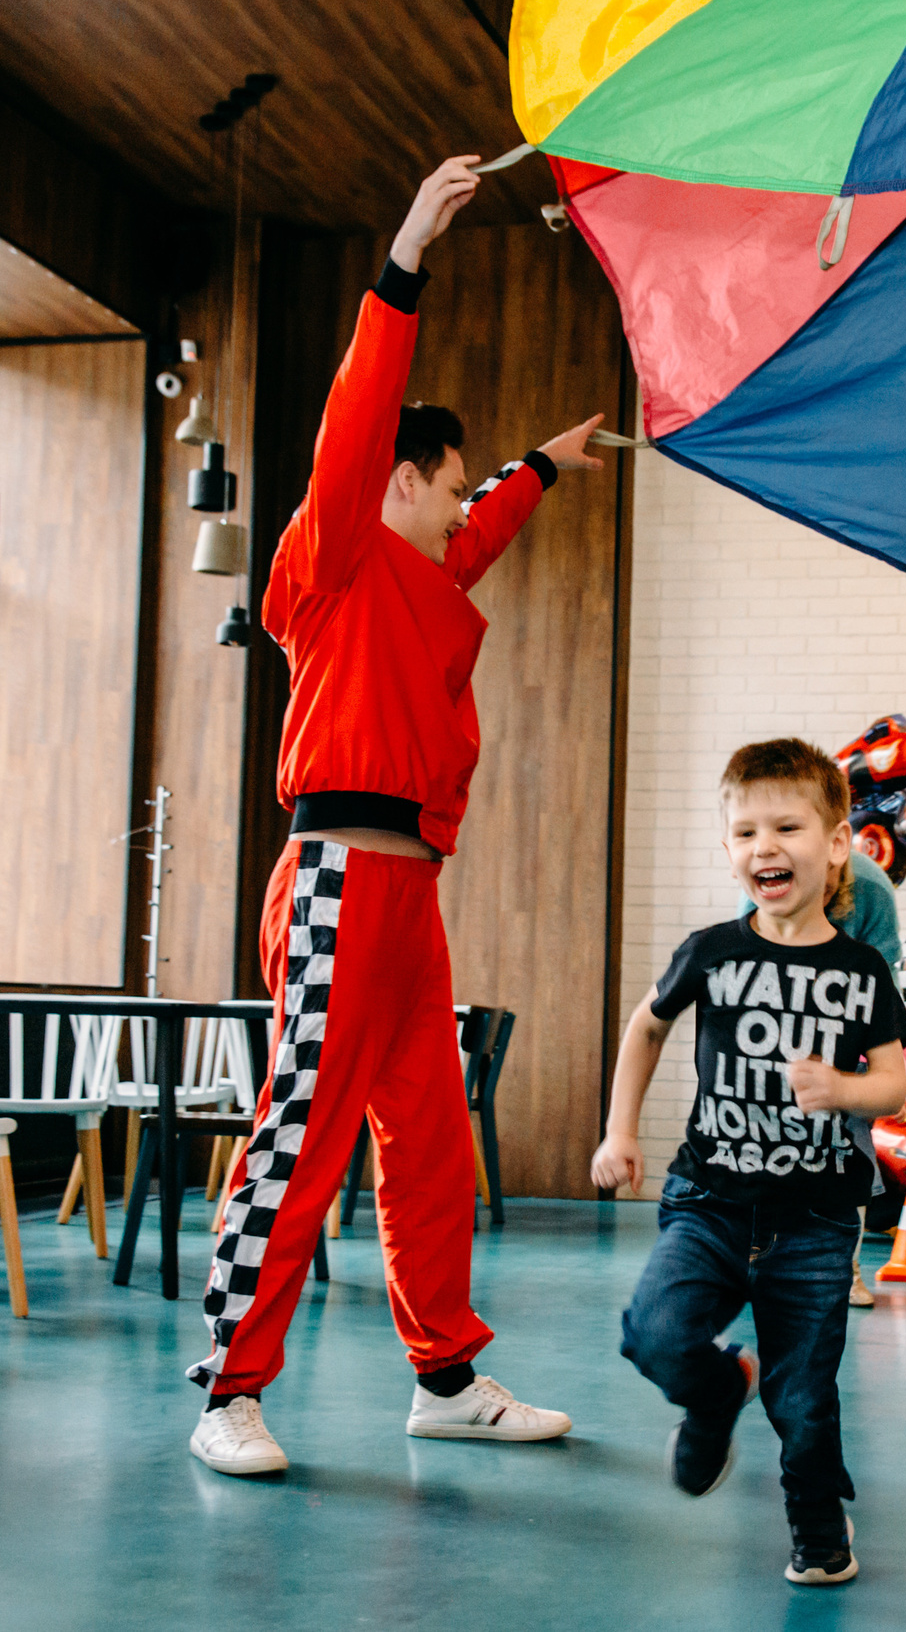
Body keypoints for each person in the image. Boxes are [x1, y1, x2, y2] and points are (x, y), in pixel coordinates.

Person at [185, 156, 605, 1477]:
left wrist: (541, 463)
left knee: (427, 1136)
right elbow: (357, 418)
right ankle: (230, 1389)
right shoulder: (334, 555)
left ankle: (445, 1375)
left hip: (410, 893)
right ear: (404, 481)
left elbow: (482, 533)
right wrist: (408, 253)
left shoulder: (428, 580)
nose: (465, 502)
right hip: (332, 880)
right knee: (299, 1130)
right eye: (457, 481)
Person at [592, 739, 906, 1587]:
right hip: (710, 1198)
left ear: (838, 843)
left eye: (787, 827)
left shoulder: (862, 969)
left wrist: (842, 1091)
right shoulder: (714, 950)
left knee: (804, 1398)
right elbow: (648, 1026)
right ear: (729, 848)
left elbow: (892, 1083)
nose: (764, 846)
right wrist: (619, 1132)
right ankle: (712, 1391)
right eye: (744, 832)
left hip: (813, 1221)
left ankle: (816, 1522)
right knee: (655, 1333)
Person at [748, 848, 900, 1308]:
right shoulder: (764, 893)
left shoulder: (872, 892)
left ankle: (845, 1268)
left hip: (847, 1046)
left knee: (847, 1159)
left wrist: (846, 1075)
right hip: (778, 1043)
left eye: (830, 884)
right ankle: (760, 1256)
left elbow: (882, 988)